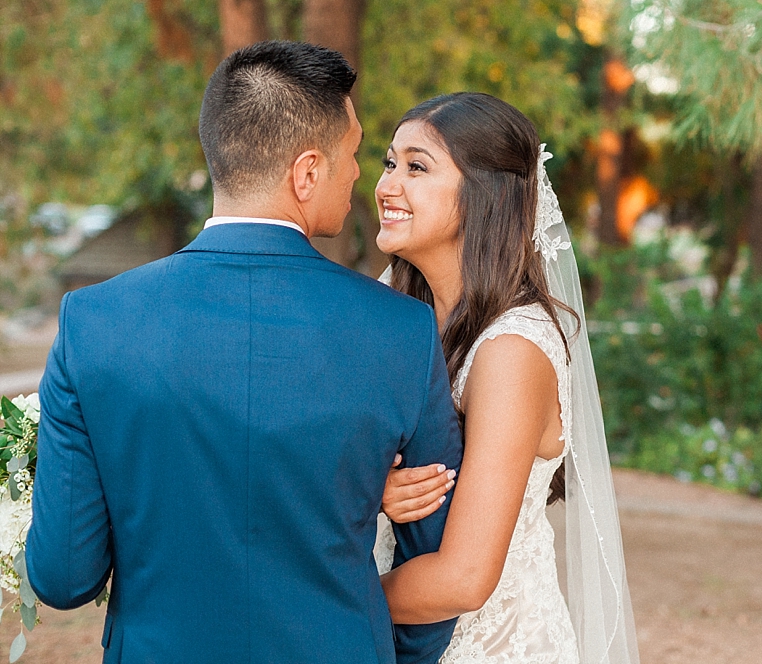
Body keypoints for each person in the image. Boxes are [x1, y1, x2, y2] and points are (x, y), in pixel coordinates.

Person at [25, 41, 462, 664]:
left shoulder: (94, 323)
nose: (361, 174)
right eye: (355, 154)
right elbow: (434, 565)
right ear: (307, 172)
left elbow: (65, 578)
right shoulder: (402, 330)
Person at [372, 93, 640, 663]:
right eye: (390, 163)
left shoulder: (512, 350)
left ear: (485, 197)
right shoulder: (398, 312)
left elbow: (465, 578)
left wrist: (316, 599)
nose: (388, 186)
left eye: (417, 167)